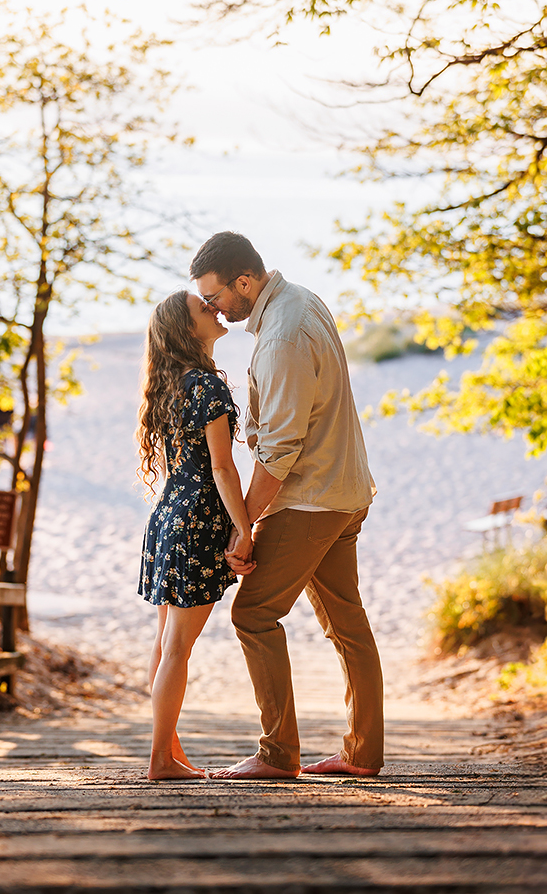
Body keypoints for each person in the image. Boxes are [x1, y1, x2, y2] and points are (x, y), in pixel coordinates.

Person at [189, 231, 384, 780]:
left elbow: (278, 454)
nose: (213, 308)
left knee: (253, 614)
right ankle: (363, 754)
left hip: (312, 501)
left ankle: (278, 755)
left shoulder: (281, 338)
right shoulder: (303, 299)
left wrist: (243, 524)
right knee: (348, 623)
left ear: (244, 283)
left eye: (216, 296)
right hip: (345, 491)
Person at [136, 289, 254, 780]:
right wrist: (245, 529)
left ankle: (172, 752)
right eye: (201, 309)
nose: (213, 309)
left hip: (169, 516)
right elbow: (224, 470)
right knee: (177, 650)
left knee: (166, 646)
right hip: (197, 521)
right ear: (186, 331)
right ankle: (161, 759)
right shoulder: (205, 385)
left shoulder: (169, 386)